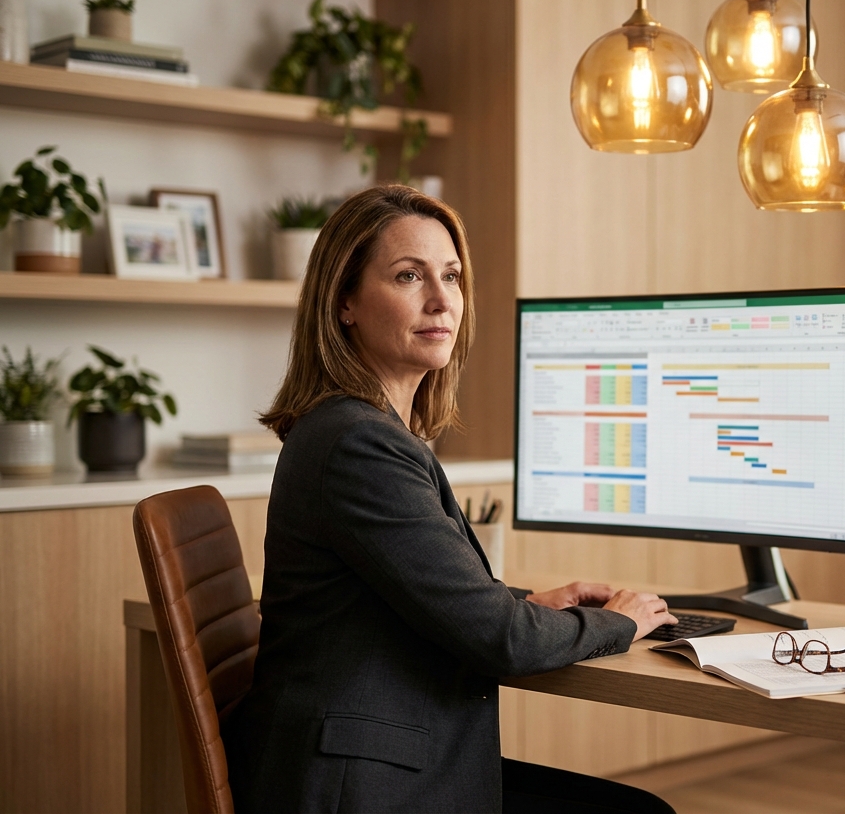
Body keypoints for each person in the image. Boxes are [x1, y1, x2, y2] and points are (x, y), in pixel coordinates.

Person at [224, 185, 678, 813]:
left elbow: (420, 598)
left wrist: (526, 602)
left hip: (372, 755)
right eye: (409, 276)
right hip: (357, 785)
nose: (442, 300)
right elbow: (502, 642)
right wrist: (618, 622)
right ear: (345, 301)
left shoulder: (364, 430)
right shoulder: (359, 444)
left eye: (452, 276)